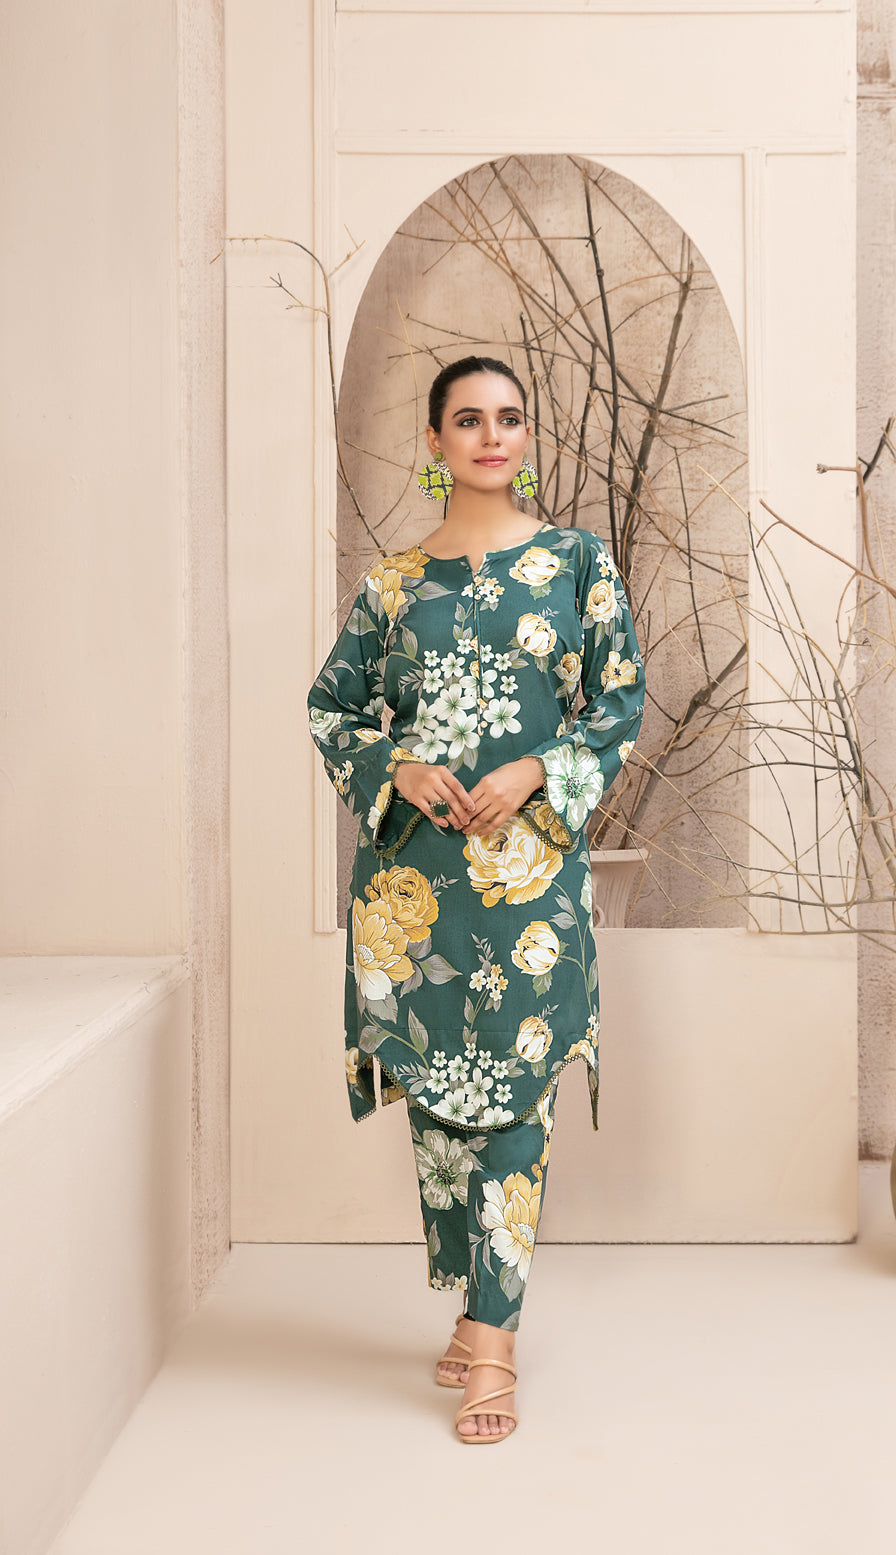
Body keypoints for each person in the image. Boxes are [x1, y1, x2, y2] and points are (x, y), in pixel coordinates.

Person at [307, 355, 645, 1443]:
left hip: (531, 881)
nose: (492, 435)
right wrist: (397, 768)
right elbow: (331, 709)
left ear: (523, 436)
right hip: (417, 887)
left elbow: (620, 698)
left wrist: (540, 768)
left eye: (508, 417)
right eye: (468, 418)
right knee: (447, 1099)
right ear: (435, 440)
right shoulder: (392, 585)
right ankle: (471, 1313)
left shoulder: (575, 563)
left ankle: (494, 1338)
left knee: (516, 1095)